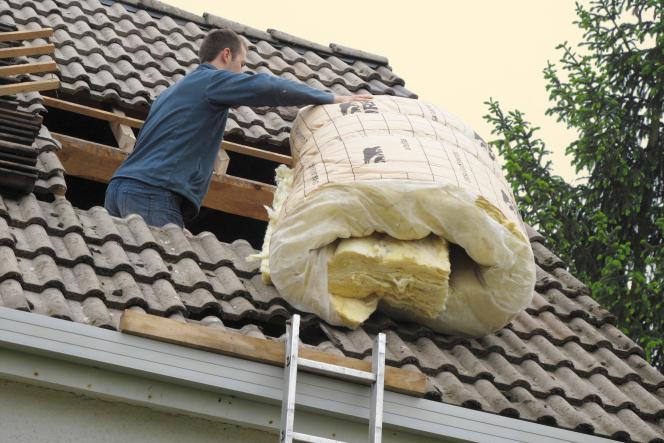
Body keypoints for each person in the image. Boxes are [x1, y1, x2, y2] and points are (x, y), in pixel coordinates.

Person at [104, 29, 372, 228]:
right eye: (242, 64)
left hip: (121, 188)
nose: (242, 72)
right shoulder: (212, 80)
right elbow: (265, 87)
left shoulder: (170, 93)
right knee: (161, 283)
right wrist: (331, 98)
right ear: (226, 55)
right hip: (152, 192)